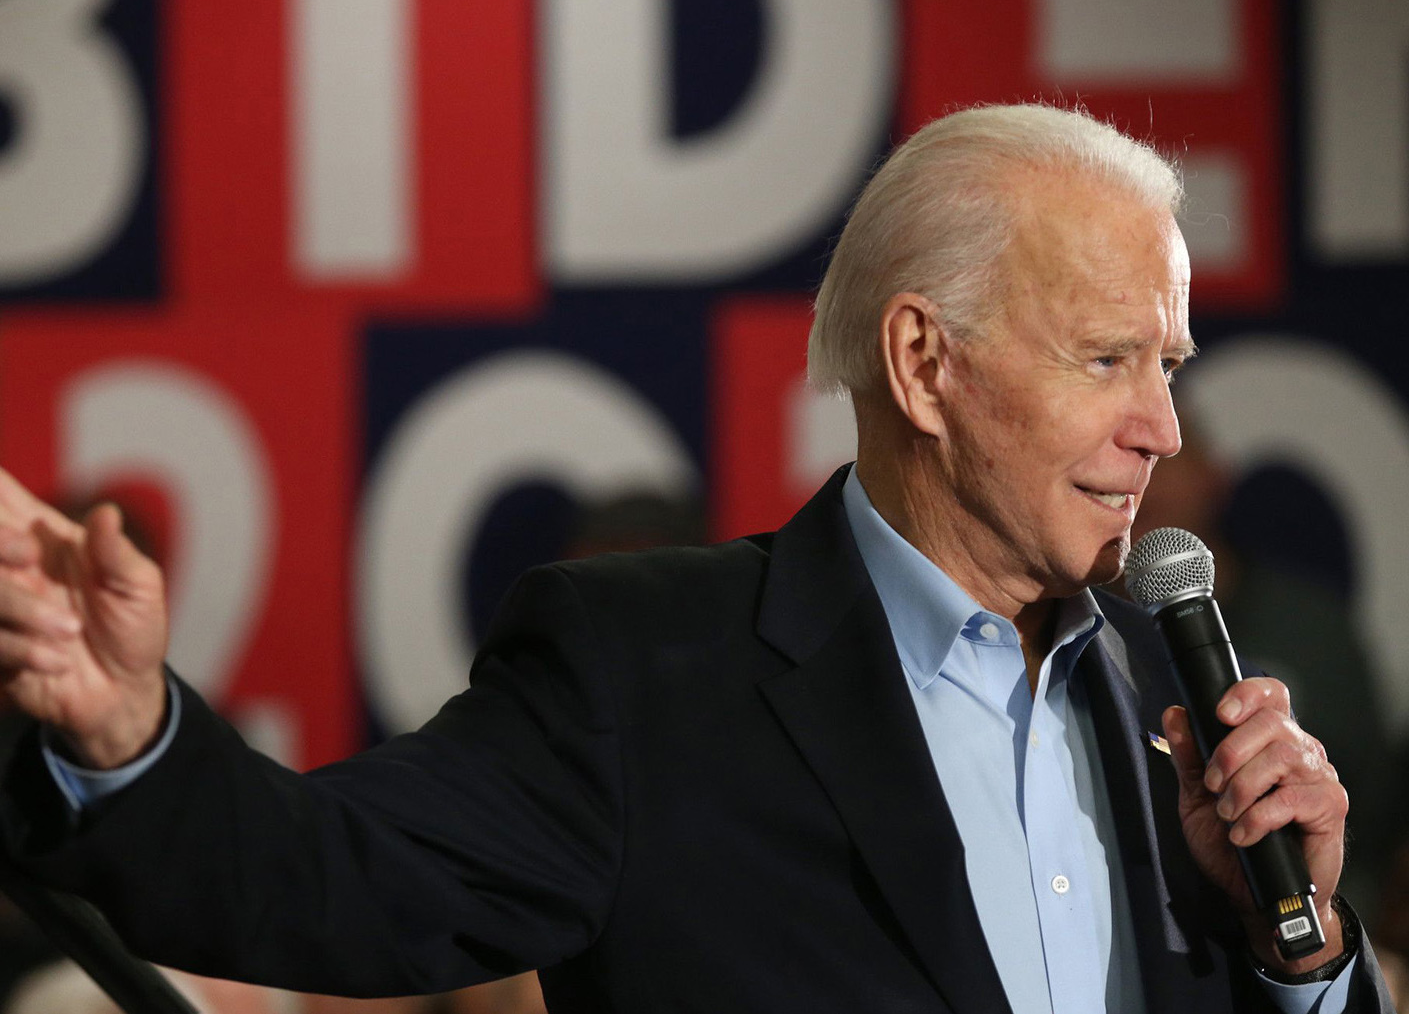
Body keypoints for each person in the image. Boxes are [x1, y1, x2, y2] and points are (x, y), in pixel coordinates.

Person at [0, 104, 1392, 1014]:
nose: (1162, 428)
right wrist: (126, 736)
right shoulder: (645, 671)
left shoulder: (1176, 693)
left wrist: (1301, 948)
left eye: (1166, 365)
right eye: (1105, 360)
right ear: (923, 364)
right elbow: (332, 881)